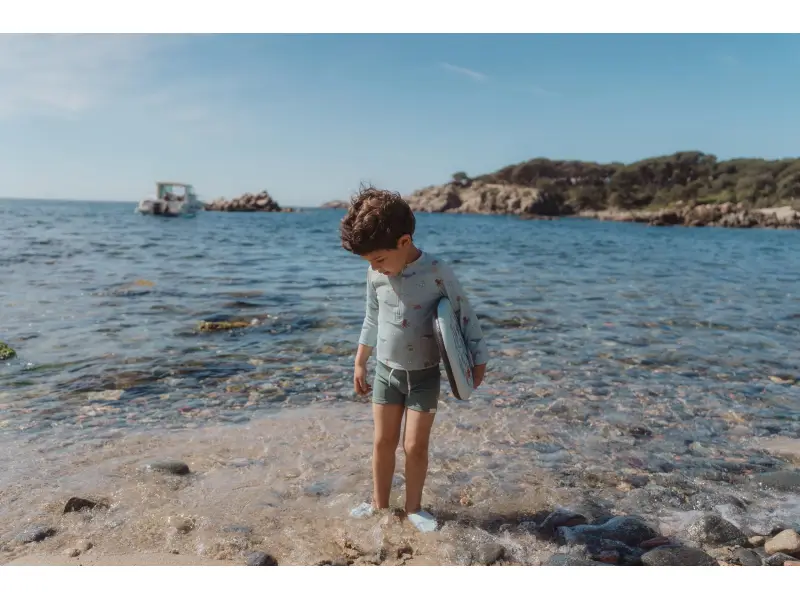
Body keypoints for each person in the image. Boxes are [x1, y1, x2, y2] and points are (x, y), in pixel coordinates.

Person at [339, 185, 489, 533]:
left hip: (424, 375)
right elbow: (371, 318)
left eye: (379, 259)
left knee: (414, 445)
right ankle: (378, 504)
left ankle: (414, 508)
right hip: (385, 372)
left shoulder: (437, 271)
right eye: (370, 262)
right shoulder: (375, 273)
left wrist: (477, 360)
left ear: (404, 242)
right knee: (382, 442)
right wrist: (360, 361)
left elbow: (463, 315)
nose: (376, 268)